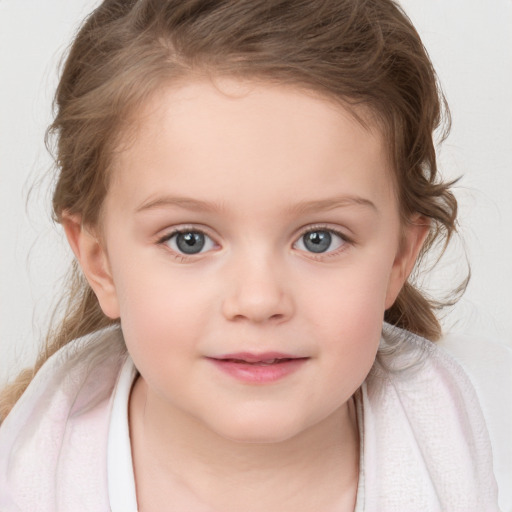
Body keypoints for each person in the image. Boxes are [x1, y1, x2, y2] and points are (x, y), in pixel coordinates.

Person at [0, 0, 510, 510]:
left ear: (399, 257)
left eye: (319, 239)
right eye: (189, 240)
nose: (259, 300)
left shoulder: (492, 448)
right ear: (100, 261)